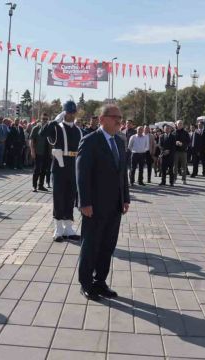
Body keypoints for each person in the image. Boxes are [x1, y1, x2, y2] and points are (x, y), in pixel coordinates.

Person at [76, 104, 130, 301]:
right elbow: (82, 175)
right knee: (91, 245)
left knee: (108, 246)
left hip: (115, 205)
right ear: (102, 119)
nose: (119, 121)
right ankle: (86, 283)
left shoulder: (120, 141)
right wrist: (85, 202)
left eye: (121, 117)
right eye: (115, 116)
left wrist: (126, 198)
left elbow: (122, 173)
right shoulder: (90, 141)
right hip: (94, 206)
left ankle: (100, 282)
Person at [41, 100, 83, 242]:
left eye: (73, 112)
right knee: (58, 197)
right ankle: (58, 229)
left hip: (73, 167)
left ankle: (68, 228)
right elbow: (42, 133)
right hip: (59, 166)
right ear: (64, 112)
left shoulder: (78, 130)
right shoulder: (57, 128)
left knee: (70, 197)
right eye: (68, 112)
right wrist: (54, 121)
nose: (71, 115)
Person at [30, 113, 50, 192]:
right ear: (41, 119)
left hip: (46, 152)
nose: (45, 120)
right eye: (43, 119)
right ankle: (34, 186)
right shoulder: (36, 128)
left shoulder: (49, 129)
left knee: (44, 170)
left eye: (46, 119)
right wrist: (32, 151)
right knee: (37, 169)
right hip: (38, 151)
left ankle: (40, 185)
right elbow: (31, 140)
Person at [173, 120, 190, 185]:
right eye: (178, 124)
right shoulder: (174, 132)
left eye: (181, 124)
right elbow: (171, 142)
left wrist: (182, 144)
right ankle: (174, 179)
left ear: (182, 125)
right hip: (176, 152)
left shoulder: (186, 133)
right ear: (176, 125)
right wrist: (175, 143)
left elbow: (188, 142)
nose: (179, 125)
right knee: (175, 166)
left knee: (184, 167)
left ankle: (184, 179)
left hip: (183, 152)